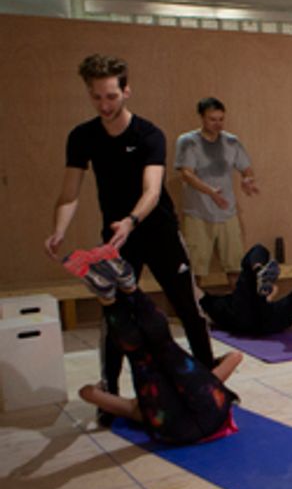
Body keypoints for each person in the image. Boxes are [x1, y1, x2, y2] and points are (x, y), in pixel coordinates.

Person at [45, 54, 216, 402]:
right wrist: (59, 230)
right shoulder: (82, 136)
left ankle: (210, 383)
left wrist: (132, 220)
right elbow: (69, 193)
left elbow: (152, 190)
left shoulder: (148, 134)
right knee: (116, 316)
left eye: (111, 96)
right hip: (117, 238)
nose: (104, 104)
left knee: (187, 306)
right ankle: (111, 388)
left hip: (157, 230)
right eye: (97, 97)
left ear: (126, 91)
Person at [63, 245, 240, 444]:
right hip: (175, 427)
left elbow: (235, 357)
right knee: (140, 355)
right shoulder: (138, 409)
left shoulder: (209, 381)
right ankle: (109, 298)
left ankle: (129, 288)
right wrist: (98, 388)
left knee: (165, 344)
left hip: (213, 411)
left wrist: (210, 370)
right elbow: (87, 393)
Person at [174, 97, 257, 282]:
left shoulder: (231, 142)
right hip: (198, 212)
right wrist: (210, 192)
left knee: (235, 265)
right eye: (212, 119)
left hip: (227, 211)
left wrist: (248, 180)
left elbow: (246, 168)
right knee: (195, 269)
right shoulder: (188, 141)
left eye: (221, 119)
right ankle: (195, 308)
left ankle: (239, 306)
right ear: (202, 118)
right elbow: (186, 174)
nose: (217, 124)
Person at [199, 244, 292, 336]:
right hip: (257, 319)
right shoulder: (211, 302)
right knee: (258, 250)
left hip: (255, 319)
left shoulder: (211, 304)